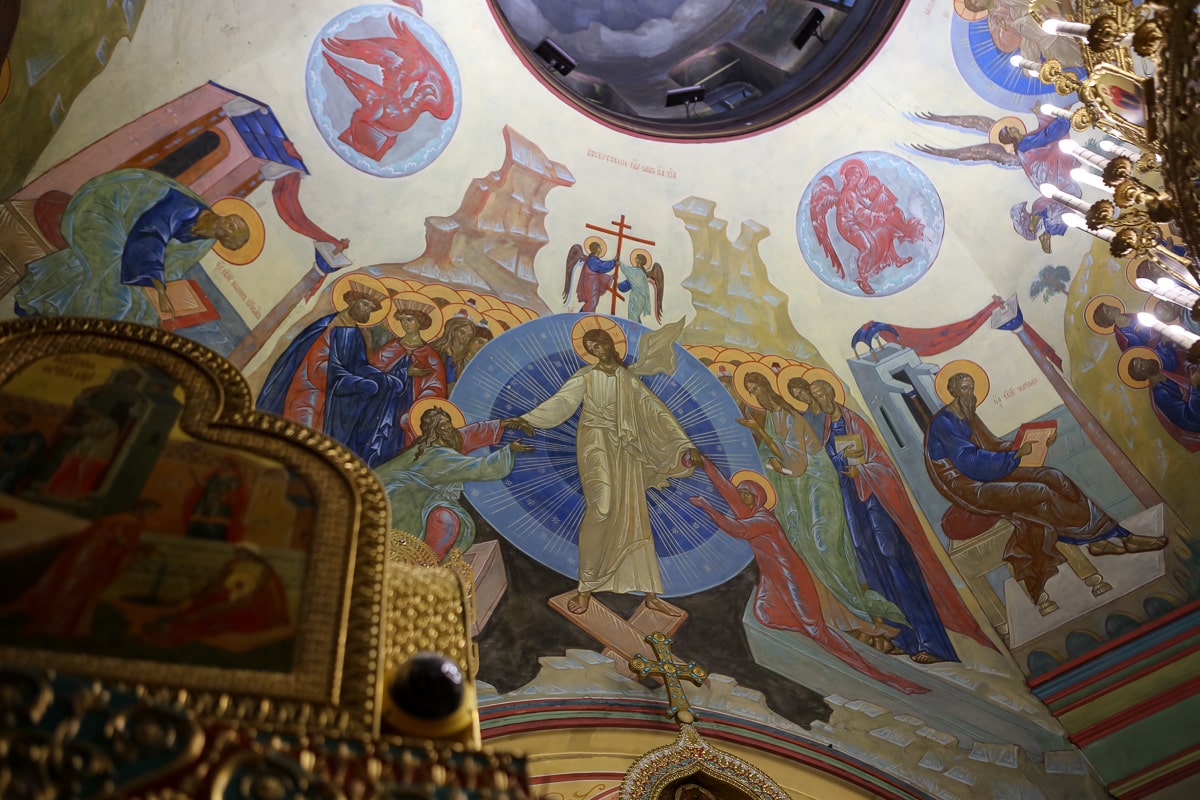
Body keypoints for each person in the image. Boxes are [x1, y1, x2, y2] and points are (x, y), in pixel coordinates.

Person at [688, 455, 927, 695]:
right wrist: (704, 462)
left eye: (747, 494)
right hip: (773, 577)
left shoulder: (762, 519)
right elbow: (726, 488)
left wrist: (707, 506)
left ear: (758, 497)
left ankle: (867, 669)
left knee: (815, 629)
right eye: (741, 493)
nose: (742, 497)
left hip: (790, 577)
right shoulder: (745, 509)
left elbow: (737, 529)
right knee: (766, 613)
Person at [925, 372, 1165, 601]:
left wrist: (1030, 442)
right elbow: (971, 463)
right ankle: (1115, 537)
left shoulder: (968, 413)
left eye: (971, 387)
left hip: (991, 472)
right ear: (953, 391)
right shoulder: (944, 423)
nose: (969, 392)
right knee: (1041, 492)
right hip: (971, 487)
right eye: (964, 388)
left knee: (1054, 476)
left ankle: (1101, 538)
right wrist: (1015, 455)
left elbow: (992, 446)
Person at [518, 326, 699, 615]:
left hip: (624, 449)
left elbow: (657, 411)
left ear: (610, 345)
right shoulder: (587, 376)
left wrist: (684, 445)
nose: (597, 351)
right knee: (601, 509)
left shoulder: (628, 379)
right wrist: (528, 419)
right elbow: (562, 402)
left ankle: (649, 592)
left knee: (632, 512)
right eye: (591, 349)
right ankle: (586, 586)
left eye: (599, 345)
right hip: (594, 442)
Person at [810, 380, 993, 663]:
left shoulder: (854, 422)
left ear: (832, 392)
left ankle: (931, 642)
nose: (821, 399)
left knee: (892, 557)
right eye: (815, 396)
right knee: (872, 562)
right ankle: (904, 639)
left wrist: (863, 470)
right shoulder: (824, 431)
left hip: (875, 501)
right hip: (852, 504)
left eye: (823, 393)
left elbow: (883, 465)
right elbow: (828, 465)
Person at [738, 373, 908, 638]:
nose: (755, 395)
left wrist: (759, 433)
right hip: (800, 489)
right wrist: (767, 457)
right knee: (806, 548)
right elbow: (772, 454)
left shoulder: (789, 416)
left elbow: (796, 463)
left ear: (767, 387)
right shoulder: (772, 417)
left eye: (757, 389)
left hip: (819, 483)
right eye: (751, 392)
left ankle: (861, 611)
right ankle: (846, 619)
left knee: (823, 545)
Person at [14, 168, 250, 326]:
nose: (227, 226)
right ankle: (69, 321)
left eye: (231, 231)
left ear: (227, 242)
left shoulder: (205, 241)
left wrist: (164, 295)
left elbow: (174, 264)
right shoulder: (185, 207)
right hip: (104, 210)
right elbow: (150, 235)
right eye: (231, 222)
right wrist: (159, 289)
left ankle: (56, 310)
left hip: (132, 241)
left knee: (143, 304)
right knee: (117, 283)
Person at [257, 280, 411, 466]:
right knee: (297, 441)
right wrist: (354, 383)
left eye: (371, 309)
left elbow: (358, 364)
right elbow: (319, 367)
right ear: (352, 302)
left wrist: (382, 379)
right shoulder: (329, 326)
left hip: (329, 397)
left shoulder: (354, 332)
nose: (367, 311)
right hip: (309, 392)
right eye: (365, 305)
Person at [375, 405, 534, 558]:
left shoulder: (428, 446)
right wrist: (509, 450)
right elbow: (480, 468)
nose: (449, 427)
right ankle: (423, 564)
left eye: (448, 422)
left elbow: (467, 434)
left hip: (417, 499)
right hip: (407, 504)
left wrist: (503, 423)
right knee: (446, 519)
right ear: (434, 430)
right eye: (443, 425)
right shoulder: (438, 456)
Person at [19, 499, 160, 637]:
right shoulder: (127, 521)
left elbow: (121, 539)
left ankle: (62, 625)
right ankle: (52, 624)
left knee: (74, 590)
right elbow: (120, 539)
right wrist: (140, 548)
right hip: (90, 559)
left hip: (90, 559)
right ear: (141, 509)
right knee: (72, 589)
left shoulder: (125, 520)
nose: (150, 515)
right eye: (150, 511)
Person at [1126, 356, 1200, 450]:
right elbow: (1191, 421)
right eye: (1141, 365)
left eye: (1142, 359)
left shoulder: (1166, 373)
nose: (1146, 361)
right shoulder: (1161, 395)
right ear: (1143, 375)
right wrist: (1194, 385)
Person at [0, 410, 45, 494]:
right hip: (8, 461)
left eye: (16, 420)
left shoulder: (34, 434)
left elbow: (30, 452)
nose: (14, 422)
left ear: (24, 420)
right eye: (11, 420)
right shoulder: (7, 435)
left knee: (9, 475)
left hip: (25, 462)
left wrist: (14, 460)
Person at [619, 252, 664, 325]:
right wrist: (619, 285)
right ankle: (638, 328)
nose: (635, 259)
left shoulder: (637, 272)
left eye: (637, 258)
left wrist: (620, 264)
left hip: (637, 299)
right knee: (635, 316)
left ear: (639, 261)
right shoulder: (641, 273)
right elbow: (628, 285)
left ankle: (635, 330)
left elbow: (629, 271)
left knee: (633, 316)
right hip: (639, 298)